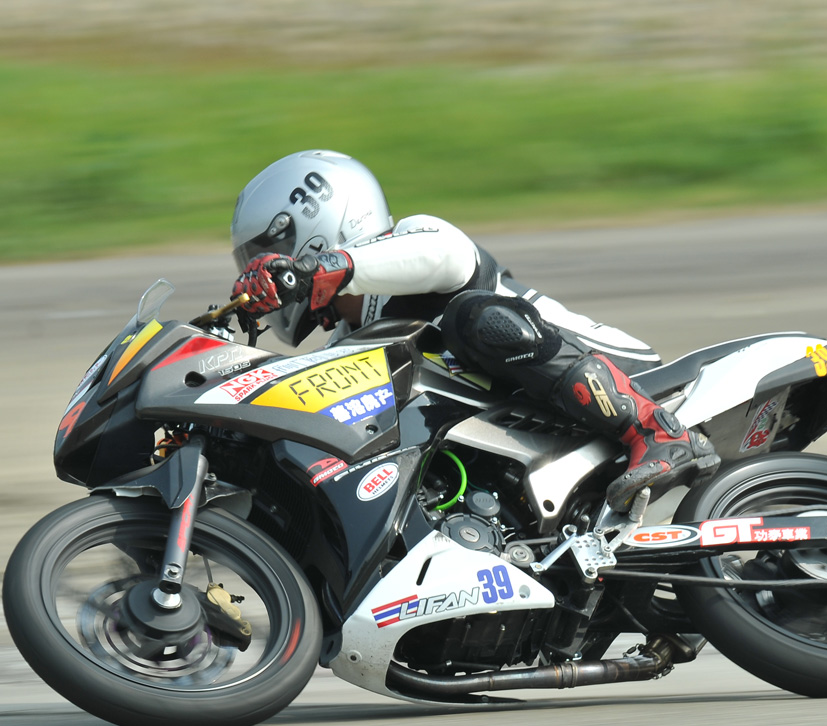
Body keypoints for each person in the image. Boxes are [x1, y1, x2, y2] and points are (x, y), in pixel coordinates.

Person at [229, 150, 718, 512]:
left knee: (474, 318)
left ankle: (656, 430)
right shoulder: (351, 341)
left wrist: (318, 270)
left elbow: (446, 255)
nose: (264, 269)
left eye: (267, 254)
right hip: (534, 435)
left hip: (625, 376)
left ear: (309, 231)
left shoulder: (413, 238)